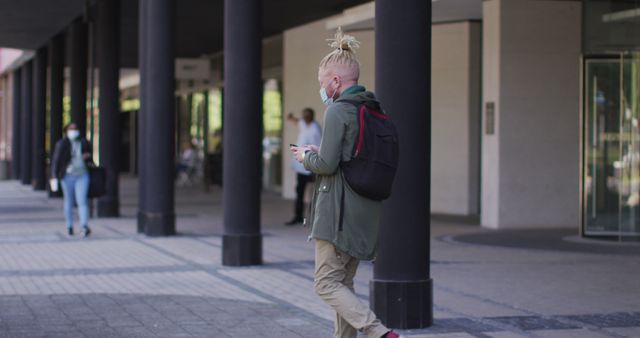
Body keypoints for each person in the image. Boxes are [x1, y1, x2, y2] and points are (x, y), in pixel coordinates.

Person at [291, 28, 400, 338]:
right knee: (344, 284)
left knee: (325, 283)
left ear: (336, 81)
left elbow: (326, 165)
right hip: (364, 212)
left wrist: (305, 157)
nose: (322, 89)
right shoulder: (371, 108)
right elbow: (346, 157)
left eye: (323, 82)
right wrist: (318, 151)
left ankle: (379, 332)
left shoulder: (338, 110)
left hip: (338, 215)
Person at [51, 123, 92, 237]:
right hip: (67, 176)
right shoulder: (62, 144)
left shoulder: (83, 142)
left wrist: (87, 157)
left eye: (75, 129)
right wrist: (54, 175)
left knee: (82, 201)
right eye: (71, 129)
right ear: (66, 131)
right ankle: (69, 226)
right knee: (68, 201)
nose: (73, 131)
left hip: (82, 175)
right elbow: (56, 160)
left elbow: (90, 157)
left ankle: (84, 226)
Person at [286, 107, 322, 225]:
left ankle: (313, 218)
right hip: (300, 166)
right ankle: (298, 216)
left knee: (314, 193)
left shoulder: (316, 129)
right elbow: (297, 121)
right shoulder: (302, 123)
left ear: (312, 116)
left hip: (312, 166)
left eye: (307, 115)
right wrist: (290, 118)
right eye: (304, 115)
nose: (305, 117)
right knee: (300, 191)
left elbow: (319, 147)